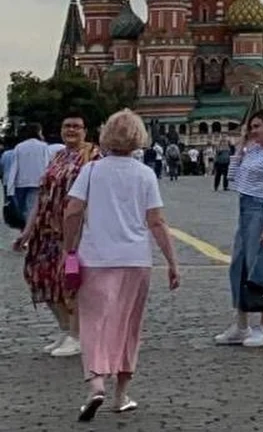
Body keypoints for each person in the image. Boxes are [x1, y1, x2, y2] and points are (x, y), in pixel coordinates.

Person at [62, 109, 180, 421]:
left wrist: (68, 248)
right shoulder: (145, 174)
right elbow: (157, 221)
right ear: (139, 138)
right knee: (129, 326)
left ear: (106, 135)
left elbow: (73, 211)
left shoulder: (91, 171)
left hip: (97, 258)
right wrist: (172, 262)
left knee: (94, 323)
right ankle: (122, 394)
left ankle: (96, 383)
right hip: (136, 260)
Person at [17, 114, 100, 359]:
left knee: (70, 281)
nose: (71, 130)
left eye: (77, 126)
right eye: (67, 126)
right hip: (45, 229)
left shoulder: (92, 157)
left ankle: (78, 335)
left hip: (73, 229)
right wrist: (28, 230)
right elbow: (43, 196)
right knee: (40, 276)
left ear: (86, 130)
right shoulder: (58, 156)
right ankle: (65, 329)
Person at [214, 109, 263, 349]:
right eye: (251, 127)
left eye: (258, 126)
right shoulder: (254, 149)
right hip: (245, 208)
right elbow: (233, 178)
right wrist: (239, 149)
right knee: (238, 266)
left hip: (262, 210)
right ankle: (241, 323)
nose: (253, 130)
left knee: (260, 268)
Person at [5, 123, 52, 233]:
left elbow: (14, 167)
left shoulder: (19, 146)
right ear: (38, 132)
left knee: (22, 210)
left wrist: (10, 188)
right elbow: (47, 164)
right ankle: (30, 232)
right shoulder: (44, 146)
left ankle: (25, 231)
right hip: (37, 181)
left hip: (20, 183)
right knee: (32, 208)